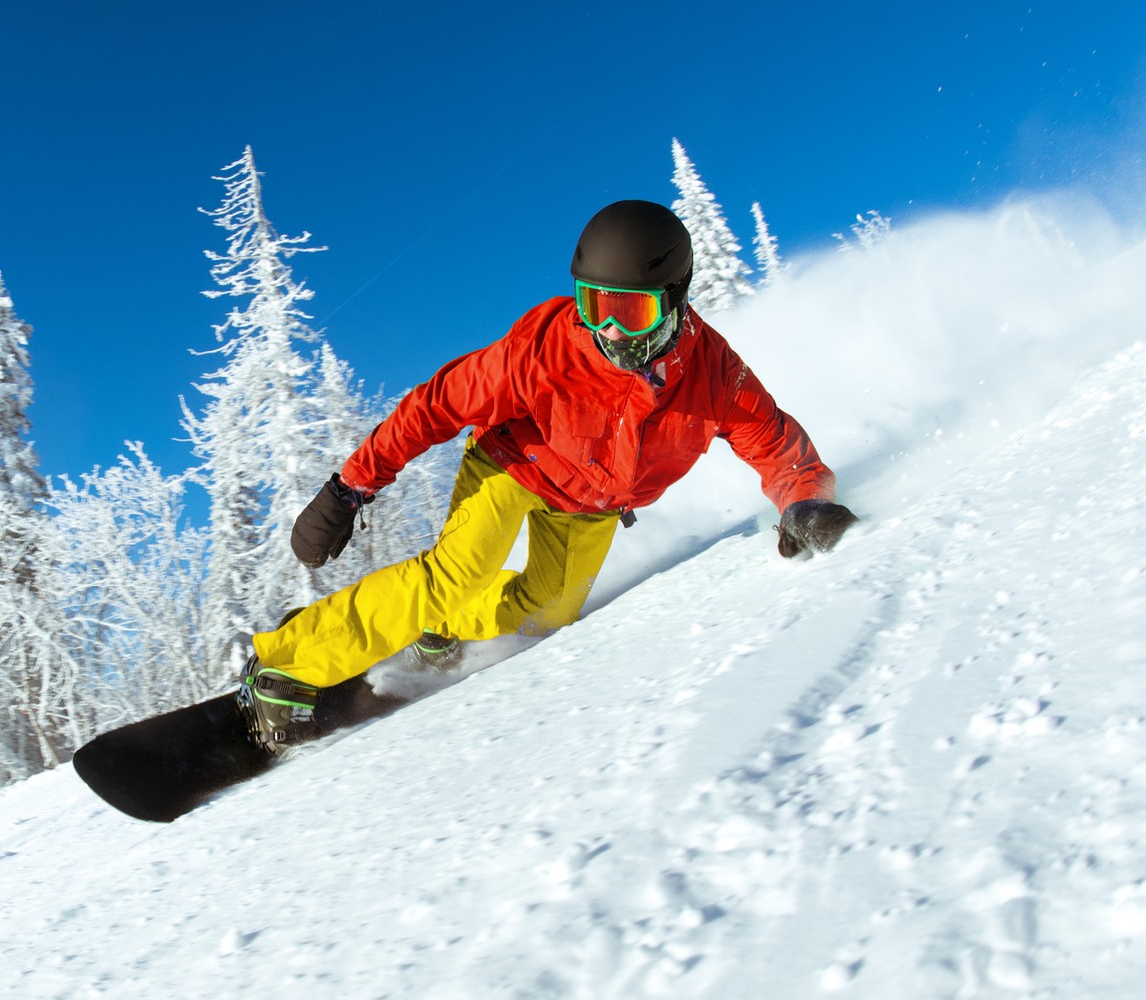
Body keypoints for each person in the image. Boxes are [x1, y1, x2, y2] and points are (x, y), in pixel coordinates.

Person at [238, 200, 858, 753]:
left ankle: (441, 629)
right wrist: (349, 488)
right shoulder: (544, 350)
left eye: (631, 312)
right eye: (595, 306)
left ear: (675, 298)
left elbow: (776, 444)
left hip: (592, 505)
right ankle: (287, 663)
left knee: (548, 613)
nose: (609, 331)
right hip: (513, 465)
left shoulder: (714, 375)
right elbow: (436, 405)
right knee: (456, 575)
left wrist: (803, 502)